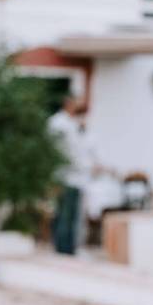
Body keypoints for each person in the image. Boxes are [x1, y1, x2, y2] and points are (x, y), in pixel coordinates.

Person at [49, 95, 95, 255]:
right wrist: (83, 165)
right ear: (68, 104)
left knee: (72, 213)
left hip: (77, 177)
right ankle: (62, 248)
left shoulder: (72, 124)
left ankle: (68, 247)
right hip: (65, 175)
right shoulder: (58, 123)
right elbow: (65, 151)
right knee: (65, 213)